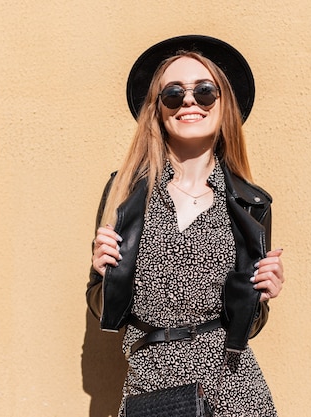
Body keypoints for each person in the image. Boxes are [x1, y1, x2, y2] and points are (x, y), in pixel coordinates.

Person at [87, 35, 285, 416]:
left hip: (235, 390)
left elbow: (248, 324)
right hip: (152, 387)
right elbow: (102, 309)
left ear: (223, 104)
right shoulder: (124, 192)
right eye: (173, 93)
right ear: (158, 109)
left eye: (205, 91)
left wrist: (261, 296)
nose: (189, 101)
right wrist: (104, 276)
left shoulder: (251, 204)